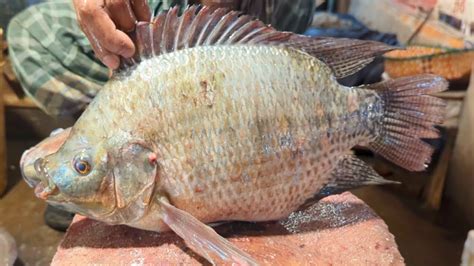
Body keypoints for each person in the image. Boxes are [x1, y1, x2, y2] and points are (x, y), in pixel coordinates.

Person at [7, 0, 316, 231]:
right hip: (160, 12)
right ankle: (103, 123)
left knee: (271, 85)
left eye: (83, 166)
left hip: (259, 26)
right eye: (83, 165)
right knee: (25, 33)